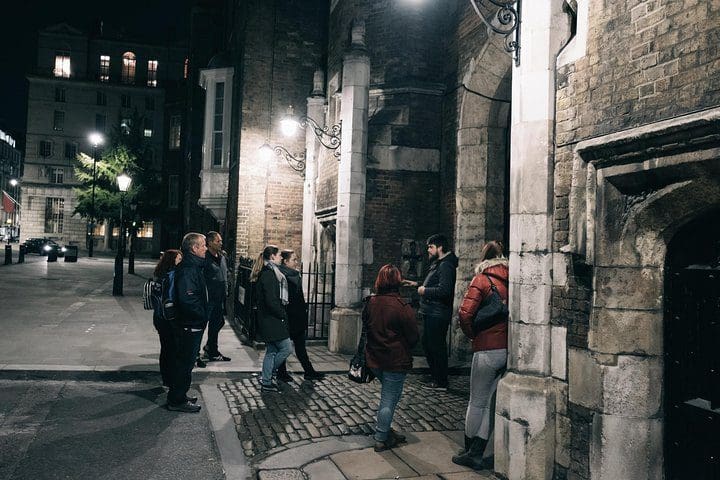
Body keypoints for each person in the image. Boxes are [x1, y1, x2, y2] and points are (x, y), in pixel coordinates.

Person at [452, 240, 508, 470]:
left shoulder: (482, 279)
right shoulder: (512, 279)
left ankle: (469, 450)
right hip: (506, 349)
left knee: (477, 401)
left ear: (484, 257)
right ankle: (478, 451)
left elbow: (465, 314)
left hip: (486, 348)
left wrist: (472, 333)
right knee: (489, 404)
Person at [365, 264, 419, 452]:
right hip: (395, 361)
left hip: (374, 359)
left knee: (392, 396)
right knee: (389, 399)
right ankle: (381, 437)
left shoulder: (371, 302)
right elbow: (413, 337)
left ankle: (387, 431)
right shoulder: (401, 306)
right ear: (398, 281)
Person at [403, 234, 458, 391]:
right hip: (432, 311)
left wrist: (425, 290)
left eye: (431, 247)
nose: (428, 250)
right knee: (428, 343)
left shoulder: (446, 265)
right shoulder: (439, 263)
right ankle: (436, 376)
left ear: (440, 248)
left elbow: (444, 290)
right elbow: (435, 283)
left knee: (436, 346)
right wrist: (417, 284)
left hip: (438, 313)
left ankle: (440, 381)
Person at [167, 232, 209, 413]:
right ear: (194, 248)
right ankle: (176, 400)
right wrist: (201, 316)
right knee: (184, 363)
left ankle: (180, 394)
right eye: (203, 245)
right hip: (189, 324)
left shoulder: (192, 267)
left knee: (186, 362)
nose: (205, 248)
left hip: (191, 324)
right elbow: (188, 299)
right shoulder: (189, 269)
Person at [276, 249, 325, 382]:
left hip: (297, 317)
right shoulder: (283, 276)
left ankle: (308, 371)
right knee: (285, 348)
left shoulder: (293, 275)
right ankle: (282, 373)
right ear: (285, 262)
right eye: (294, 260)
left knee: (300, 347)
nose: (296, 262)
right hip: (289, 317)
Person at [250, 245, 293, 393]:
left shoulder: (271, 272)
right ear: (273, 257)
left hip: (268, 318)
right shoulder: (269, 274)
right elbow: (271, 300)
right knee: (286, 348)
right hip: (271, 319)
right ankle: (267, 376)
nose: (282, 257)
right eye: (280, 255)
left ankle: (267, 381)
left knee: (272, 350)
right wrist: (282, 314)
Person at [151, 248, 182, 388]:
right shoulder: (172, 276)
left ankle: (166, 379)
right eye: (179, 259)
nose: (181, 261)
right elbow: (170, 299)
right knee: (173, 350)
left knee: (165, 349)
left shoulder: (159, 274)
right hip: (169, 318)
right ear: (172, 260)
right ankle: (171, 380)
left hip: (158, 316)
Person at [201, 231, 231, 363]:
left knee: (218, 323)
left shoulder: (222, 256)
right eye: (218, 241)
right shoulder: (205, 258)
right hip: (208, 298)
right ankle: (196, 353)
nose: (221, 243)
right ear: (210, 242)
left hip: (219, 297)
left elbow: (225, 274)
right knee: (201, 325)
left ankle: (211, 349)